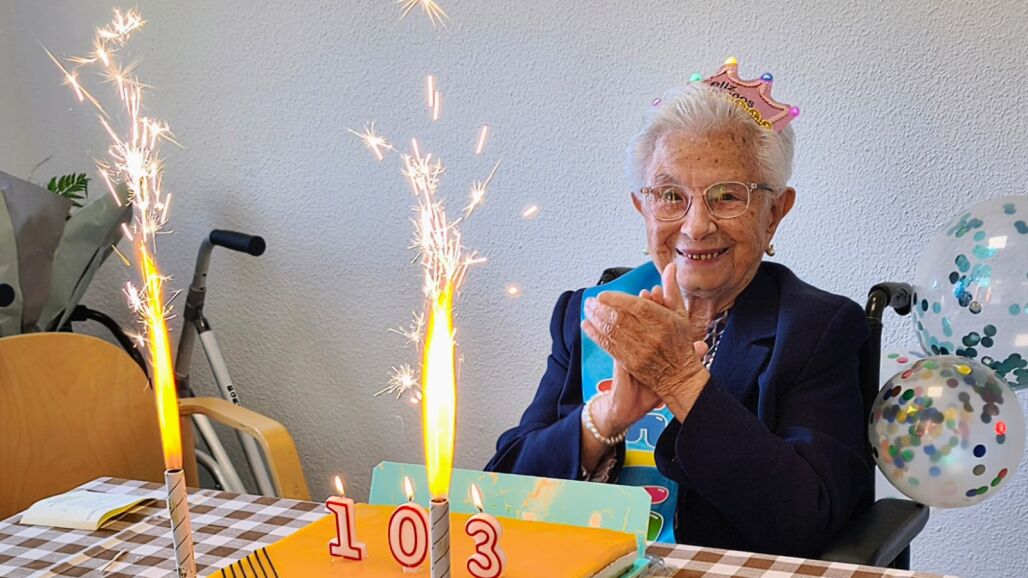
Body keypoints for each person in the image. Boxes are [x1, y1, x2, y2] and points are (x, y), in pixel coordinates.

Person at [484, 79, 873, 557]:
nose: (696, 225)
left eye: (727, 196)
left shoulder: (817, 330)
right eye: (670, 196)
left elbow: (809, 521)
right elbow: (501, 498)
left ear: (774, 212)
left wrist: (682, 382)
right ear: (642, 207)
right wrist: (605, 419)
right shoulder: (592, 314)